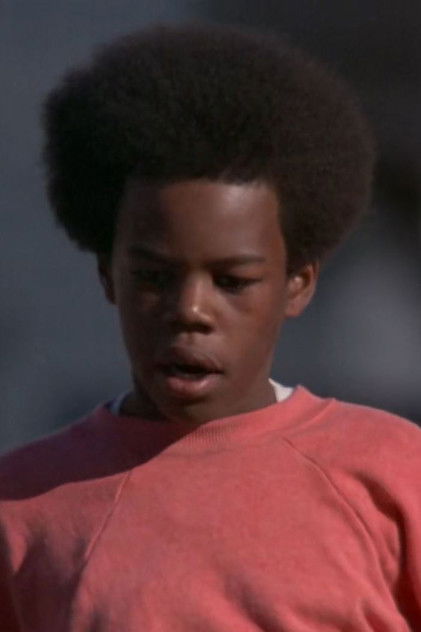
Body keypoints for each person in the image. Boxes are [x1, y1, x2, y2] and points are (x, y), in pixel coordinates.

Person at [0, 22, 420, 631]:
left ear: (297, 283)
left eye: (232, 281)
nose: (190, 310)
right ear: (109, 276)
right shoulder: (21, 503)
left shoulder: (395, 475)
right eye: (154, 277)